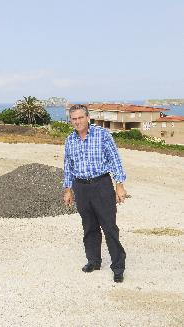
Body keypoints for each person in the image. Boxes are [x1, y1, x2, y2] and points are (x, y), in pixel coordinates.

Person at [63, 104, 127, 283]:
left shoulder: (103, 135)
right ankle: (94, 260)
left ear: (87, 118)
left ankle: (118, 266)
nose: (77, 122)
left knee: (109, 226)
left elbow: (115, 160)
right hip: (81, 187)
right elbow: (68, 166)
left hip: (101, 185)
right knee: (89, 226)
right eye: (74, 119)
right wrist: (68, 189)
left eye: (80, 118)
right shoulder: (70, 140)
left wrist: (119, 185)